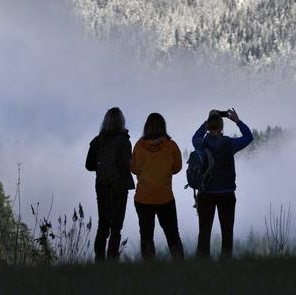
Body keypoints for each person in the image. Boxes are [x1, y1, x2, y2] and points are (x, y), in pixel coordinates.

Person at [192, 107, 253, 259]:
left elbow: (195, 137)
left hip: (206, 194)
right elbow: (249, 137)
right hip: (226, 193)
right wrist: (237, 121)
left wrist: (208, 120)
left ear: (208, 126)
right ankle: (226, 264)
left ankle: (202, 264)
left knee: (204, 232)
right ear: (221, 126)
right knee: (227, 231)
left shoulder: (201, 143)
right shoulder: (229, 143)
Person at [130, 112, 185, 260]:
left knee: (146, 236)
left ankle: (149, 270)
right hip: (165, 197)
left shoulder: (139, 146)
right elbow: (177, 168)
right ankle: (181, 267)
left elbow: (133, 168)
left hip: (142, 198)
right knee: (172, 234)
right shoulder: (171, 146)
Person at [85, 106, 134, 261]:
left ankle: (99, 261)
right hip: (119, 187)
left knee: (102, 225)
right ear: (121, 122)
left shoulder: (97, 141)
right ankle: (112, 261)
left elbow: (89, 165)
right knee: (116, 228)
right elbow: (128, 165)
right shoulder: (124, 141)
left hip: (102, 186)